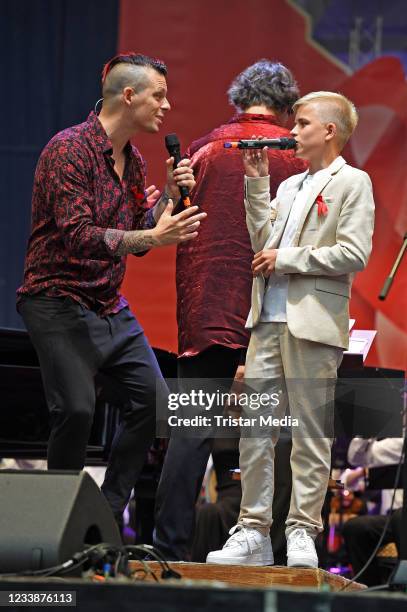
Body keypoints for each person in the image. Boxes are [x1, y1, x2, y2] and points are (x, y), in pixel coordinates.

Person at [16, 52, 206, 526]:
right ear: (129, 95)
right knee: (77, 412)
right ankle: (53, 525)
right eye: (158, 95)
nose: (167, 105)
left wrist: (164, 192)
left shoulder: (134, 161)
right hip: (56, 298)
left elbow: (138, 229)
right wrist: (154, 237)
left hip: (105, 304)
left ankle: (102, 515)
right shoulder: (69, 150)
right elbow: (78, 234)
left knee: (157, 406)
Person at [206, 91, 375, 567]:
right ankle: (254, 531)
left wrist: (289, 259)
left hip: (314, 323)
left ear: (329, 131)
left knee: (309, 433)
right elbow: (262, 243)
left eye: (301, 123)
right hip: (266, 320)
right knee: (256, 431)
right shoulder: (288, 187)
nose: (292, 131)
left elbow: (354, 253)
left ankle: (302, 530)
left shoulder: (353, 182)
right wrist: (257, 184)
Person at [153, 60, 306, 561]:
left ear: (239, 100)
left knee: (191, 431)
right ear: (285, 107)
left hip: (206, 311)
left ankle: (168, 551)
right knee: (275, 434)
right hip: (273, 311)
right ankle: (276, 551)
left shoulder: (200, 149)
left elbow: (163, 222)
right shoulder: (295, 156)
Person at [342, 437, 404, 585]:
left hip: (400, 517)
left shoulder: (394, 445)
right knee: (355, 528)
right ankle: (370, 592)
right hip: (393, 517)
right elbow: (343, 480)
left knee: (399, 517)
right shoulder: (394, 441)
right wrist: (370, 425)